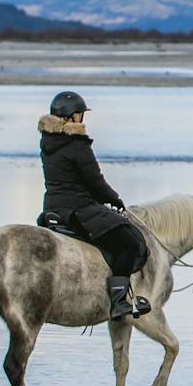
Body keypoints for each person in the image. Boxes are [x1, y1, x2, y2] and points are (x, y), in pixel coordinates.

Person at [37, 90, 151, 319]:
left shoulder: (48, 142)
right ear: (72, 117)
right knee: (130, 242)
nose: (82, 119)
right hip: (78, 210)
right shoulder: (77, 145)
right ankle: (119, 302)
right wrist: (114, 199)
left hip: (52, 208)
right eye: (80, 114)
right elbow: (95, 182)